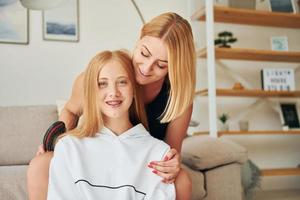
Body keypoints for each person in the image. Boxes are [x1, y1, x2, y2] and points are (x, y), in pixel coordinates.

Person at [27, 12, 195, 200]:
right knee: (41, 164)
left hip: (140, 165)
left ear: (175, 66)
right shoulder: (100, 77)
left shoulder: (178, 99)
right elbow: (71, 110)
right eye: (144, 54)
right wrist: (55, 143)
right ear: (140, 36)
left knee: (181, 180)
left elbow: (170, 153)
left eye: (161, 65)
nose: (146, 68)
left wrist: (172, 163)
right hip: (95, 154)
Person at [48, 50, 176, 199]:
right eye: (102, 84)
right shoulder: (68, 147)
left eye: (122, 82)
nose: (113, 92)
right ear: (92, 91)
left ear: (134, 89)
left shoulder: (158, 154)